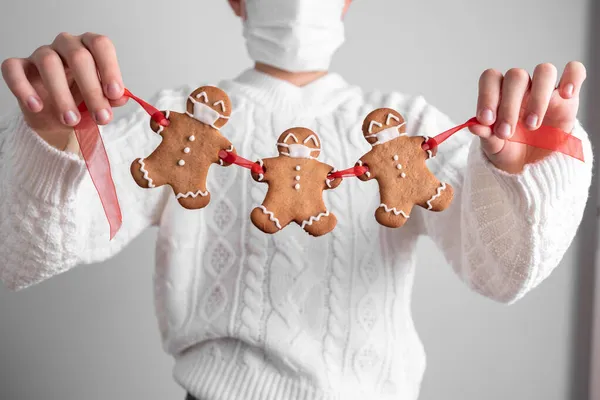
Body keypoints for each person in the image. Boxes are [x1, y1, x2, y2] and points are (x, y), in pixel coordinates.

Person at [0, 0, 593, 399]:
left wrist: (520, 170)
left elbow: (504, 271)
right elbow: (22, 250)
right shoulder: (177, 121)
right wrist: (56, 139)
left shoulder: (411, 128)